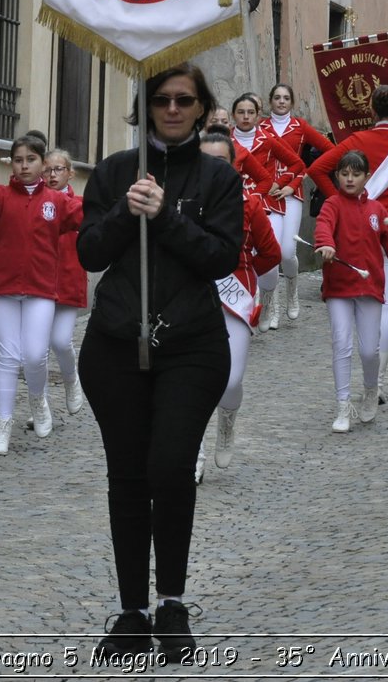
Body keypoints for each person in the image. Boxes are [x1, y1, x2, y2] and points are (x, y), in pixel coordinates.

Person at [76, 64, 242, 663]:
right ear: (146, 107)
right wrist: (127, 211)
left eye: (184, 100)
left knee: (171, 468)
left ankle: (171, 602)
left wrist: (167, 215)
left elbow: (221, 258)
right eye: (162, 100)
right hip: (116, 344)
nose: (172, 109)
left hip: (192, 346)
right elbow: (89, 251)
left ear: (201, 108)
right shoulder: (117, 171)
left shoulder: (219, 177)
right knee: (128, 475)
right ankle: (132, 613)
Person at [0, 130, 80, 456]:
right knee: (7, 358)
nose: (24, 166)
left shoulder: (56, 201)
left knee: (36, 355)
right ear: (11, 164)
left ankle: (38, 401)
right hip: (4, 289)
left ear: (42, 163)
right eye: (18, 160)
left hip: (40, 290)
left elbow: (86, 213)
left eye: (31, 160)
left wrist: (116, 192)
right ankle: (3, 425)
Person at [306, 84, 388, 398]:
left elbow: (316, 169)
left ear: (370, 111)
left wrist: (342, 204)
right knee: (385, 306)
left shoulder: (356, 141)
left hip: (354, 235)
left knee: (349, 303)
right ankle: (378, 383)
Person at [312, 150, 388, 433]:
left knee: (369, 350)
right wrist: (326, 245)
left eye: (356, 174)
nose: (349, 179)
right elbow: (323, 227)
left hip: (369, 288)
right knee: (342, 345)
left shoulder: (378, 211)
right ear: (337, 176)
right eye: (344, 174)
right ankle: (342, 405)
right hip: (339, 287)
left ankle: (369, 388)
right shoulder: (332, 204)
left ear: (367, 177)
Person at [197, 127, 281, 475]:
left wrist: (244, 278)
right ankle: (195, 454)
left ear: (234, 166)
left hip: (235, 296)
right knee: (195, 380)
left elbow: (271, 253)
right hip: (193, 294)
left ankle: (227, 422)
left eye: (220, 162)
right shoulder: (183, 200)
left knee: (230, 381)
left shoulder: (249, 203)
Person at [257, 83, 335, 325]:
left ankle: (292, 292)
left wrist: (306, 174)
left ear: (292, 102)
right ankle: (271, 305)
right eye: (277, 98)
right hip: (266, 193)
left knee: (287, 251)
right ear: (270, 101)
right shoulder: (261, 127)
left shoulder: (299, 127)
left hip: (290, 193)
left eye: (286, 98)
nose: (281, 102)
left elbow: (330, 150)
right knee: (268, 251)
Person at [228, 93, 305, 330]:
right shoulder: (226, 141)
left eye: (250, 112)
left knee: (276, 256)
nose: (246, 117)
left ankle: (278, 296)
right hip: (235, 208)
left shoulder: (268, 139)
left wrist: (281, 183)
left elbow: (297, 164)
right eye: (241, 112)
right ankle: (256, 303)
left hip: (269, 205)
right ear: (234, 115)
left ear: (257, 115)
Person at [41, 148, 89, 420]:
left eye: (58, 169)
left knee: (59, 340)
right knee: (35, 350)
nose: (52, 175)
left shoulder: (79, 203)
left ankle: (72, 380)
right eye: (47, 169)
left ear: (71, 172)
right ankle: (41, 405)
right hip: (40, 280)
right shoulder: (36, 202)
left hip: (69, 278)